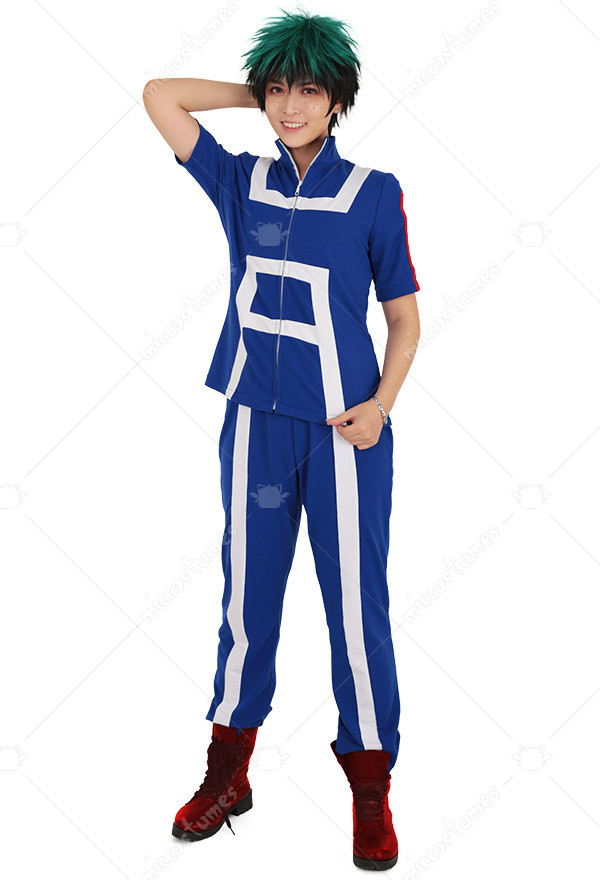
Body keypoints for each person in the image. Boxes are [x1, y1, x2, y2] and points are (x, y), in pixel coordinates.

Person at [143, 7, 421, 871]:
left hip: (347, 432)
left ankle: (370, 787)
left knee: (355, 609)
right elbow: (159, 95)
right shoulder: (241, 180)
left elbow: (405, 320)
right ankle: (229, 772)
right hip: (254, 427)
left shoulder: (374, 191)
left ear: (338, 99)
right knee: (247, 603)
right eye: (279, 91)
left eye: (309, 91)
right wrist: (257, 91)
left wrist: (380, 406)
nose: (291, 106)